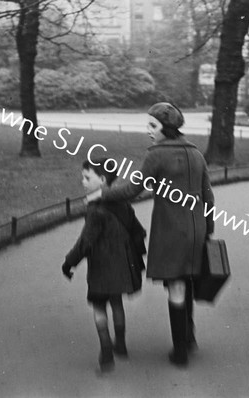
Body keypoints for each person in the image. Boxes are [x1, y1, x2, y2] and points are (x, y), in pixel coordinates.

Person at [88, 102, 215, 367]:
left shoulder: (156, 155)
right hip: (197, 229)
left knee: (176, 287)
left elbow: (134, 189)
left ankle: (179, 353)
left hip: (172, 230)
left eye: (153, 126)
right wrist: (208, 228)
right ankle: (188, 338)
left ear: (166, 129)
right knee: (187, 282)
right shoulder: (196, 154)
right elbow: (208, 195)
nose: (148, 130)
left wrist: (102, 193)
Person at [61, 159, 146, 373]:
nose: (82, 181)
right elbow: (137, 230)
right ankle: (121, 344)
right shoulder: (122, 203)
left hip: (101, 266)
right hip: (122, 265)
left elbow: (85, 242)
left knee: (99, 307)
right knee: (117, 302)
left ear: (103, 180)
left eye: (87, 177)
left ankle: (106, 350)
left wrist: (69, 262)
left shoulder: (95, 209)